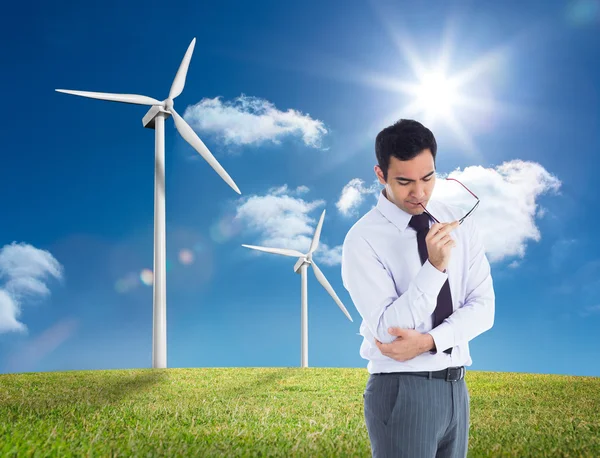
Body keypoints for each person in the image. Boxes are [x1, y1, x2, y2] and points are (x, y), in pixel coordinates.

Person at [341, 119, 495, 458]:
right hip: (402, 389)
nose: (419, 193)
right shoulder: (363, 239)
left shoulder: (456, 221)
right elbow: (388, 329)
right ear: (380, 175)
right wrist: (435, 267)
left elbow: (484, 308)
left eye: (428, 178)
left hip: (457, 388)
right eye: (404, 181)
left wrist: (430, 342)